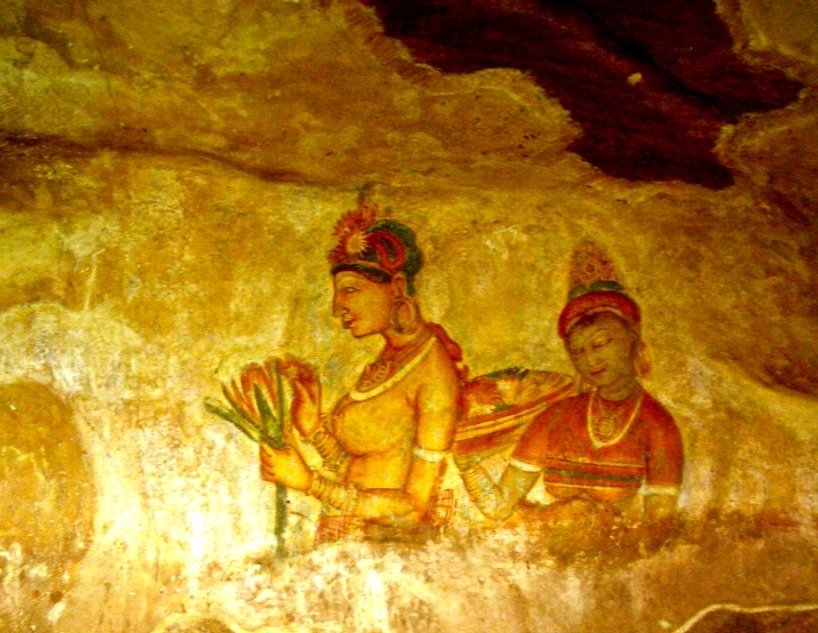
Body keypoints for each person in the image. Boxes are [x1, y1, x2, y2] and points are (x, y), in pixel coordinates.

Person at [259, 201, 465, 544]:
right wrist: (312, 427)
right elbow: (360, 469)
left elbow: (412, 507)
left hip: (386, 551)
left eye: (350, 290)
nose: (337, 307)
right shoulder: (391, 358)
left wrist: (309, 482)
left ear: (397, 288)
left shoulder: (433, 373)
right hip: (349, 540)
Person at [456, 245, 684, 553]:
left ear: (632, 339)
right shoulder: (556, 417)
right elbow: (498, 507)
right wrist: (468, 467)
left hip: (617, 564)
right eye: (578, 351)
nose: (591, 359)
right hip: (547, 557)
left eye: (601, 342)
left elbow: (657, 530)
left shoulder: (658, 425)